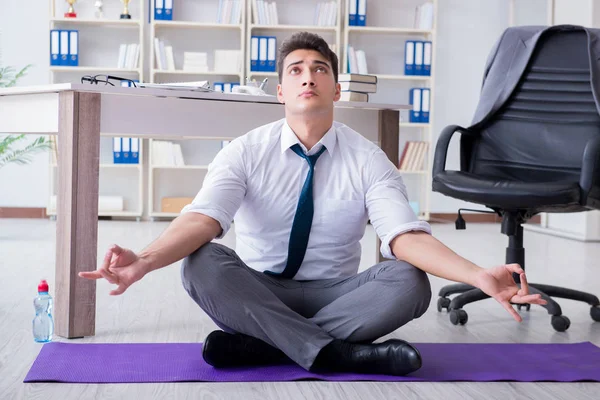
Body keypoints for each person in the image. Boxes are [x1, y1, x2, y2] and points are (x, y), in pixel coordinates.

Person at [80, 32, 546, 376]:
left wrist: (477, 275)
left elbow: (403, 237)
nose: (309, 77)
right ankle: (338, 353)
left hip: (339, 292)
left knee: (408, 280)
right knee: (201, 264)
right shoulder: (243, 150)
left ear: (337, 89)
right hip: (260, 290)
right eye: (296, 70)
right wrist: (144, 260)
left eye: (320, 69)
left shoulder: (368, 158)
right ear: (280, 91)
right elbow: (203, 219)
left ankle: (266, 346)